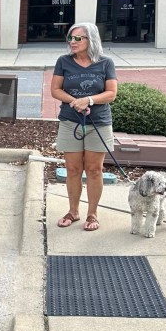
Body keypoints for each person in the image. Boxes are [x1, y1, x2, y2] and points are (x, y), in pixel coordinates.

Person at [50, 22, 117, 231]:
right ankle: (73, 211)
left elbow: (111, 93)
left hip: (99, 123)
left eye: (78, 38)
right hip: (70, 122)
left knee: (94, 170)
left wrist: (88, 100)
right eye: (71, 38)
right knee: (73, 169)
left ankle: (92, 214)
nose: (72, 42)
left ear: (91, 40)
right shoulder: (63, 61)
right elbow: (55, 89)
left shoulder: (105, 63)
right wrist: (75, 102)